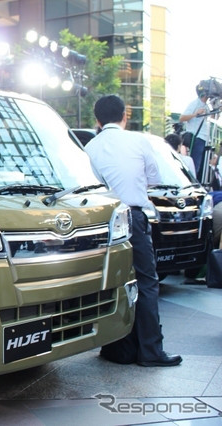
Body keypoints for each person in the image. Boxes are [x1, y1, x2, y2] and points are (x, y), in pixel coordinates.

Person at [84, 94, 182, 367]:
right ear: (124, 116)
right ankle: (151, 351)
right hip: (132, 218)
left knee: (110, 283)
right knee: (146, 281)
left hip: (101, 222)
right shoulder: (138, 141)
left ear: (97, 120)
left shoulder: (89, 148)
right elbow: (155, 178)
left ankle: (114, 347)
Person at [179, 82, 210, 180]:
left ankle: (196, 181)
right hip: (197, 138)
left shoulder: (206, 106)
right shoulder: (195, 103)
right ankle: (191, 182)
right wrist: (195, 114)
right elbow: (182, 118)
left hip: (203, 138)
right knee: (195, 166)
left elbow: (214, 117)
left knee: (200, 167)